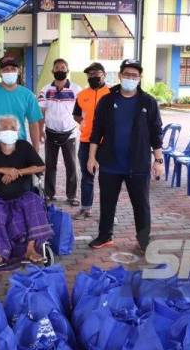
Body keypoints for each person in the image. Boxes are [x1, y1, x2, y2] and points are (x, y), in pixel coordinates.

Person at [87, 59, 164, 252]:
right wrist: (91, 157)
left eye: (134, 75)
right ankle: (105, 236)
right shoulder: (107, 100)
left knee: (141, 204)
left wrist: (159, 160)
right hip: (110, 163)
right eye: (127, 75)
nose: (130, 78)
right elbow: (97, 131)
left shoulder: (148, 102)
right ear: (120, 76)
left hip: (137, 164)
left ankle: (143, 239)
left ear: (139, 78)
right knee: (107, 203)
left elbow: (156, 133)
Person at [0, 115, 52, 264]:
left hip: (22, 194)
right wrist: (3, 170)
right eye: (4, 128)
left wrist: (18, 172)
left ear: (18, 131)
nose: (9, 131)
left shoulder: (24, 146)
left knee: (34, 201)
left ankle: (30, 249)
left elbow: (40, 166)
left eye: (12, 128)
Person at [0, 55, 43, 160]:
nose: (9, 72)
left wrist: (36, 149)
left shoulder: (28, 95)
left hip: (19, 148)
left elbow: (33, 124)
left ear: (19, 71)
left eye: (13, 69)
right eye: (5, 69)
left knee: (20, 176)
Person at [38, 58, 82, 206]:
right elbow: (41, 111)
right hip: (50, 133)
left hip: (69, 134)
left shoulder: (76, 89)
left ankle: (72, 196)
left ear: (67, 71)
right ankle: (49, 195)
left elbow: (81, 112)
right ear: (53, 71)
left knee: (71, 165)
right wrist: (40, 130)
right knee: (50, 165)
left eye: (63, 67)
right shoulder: (45, 90)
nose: (60, 70)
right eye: (57, 67)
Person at [72, 62, 111, 220]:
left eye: (96, 73)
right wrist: (84, 123)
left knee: (108, 178)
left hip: (108, 143)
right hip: (87, 141)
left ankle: (108, 211)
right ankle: (86, 208)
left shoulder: (112, 93)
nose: (93, 76)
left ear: (104, 74)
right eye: (90, 74)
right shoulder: (82, 95)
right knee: (87, 176)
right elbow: (76, 114)